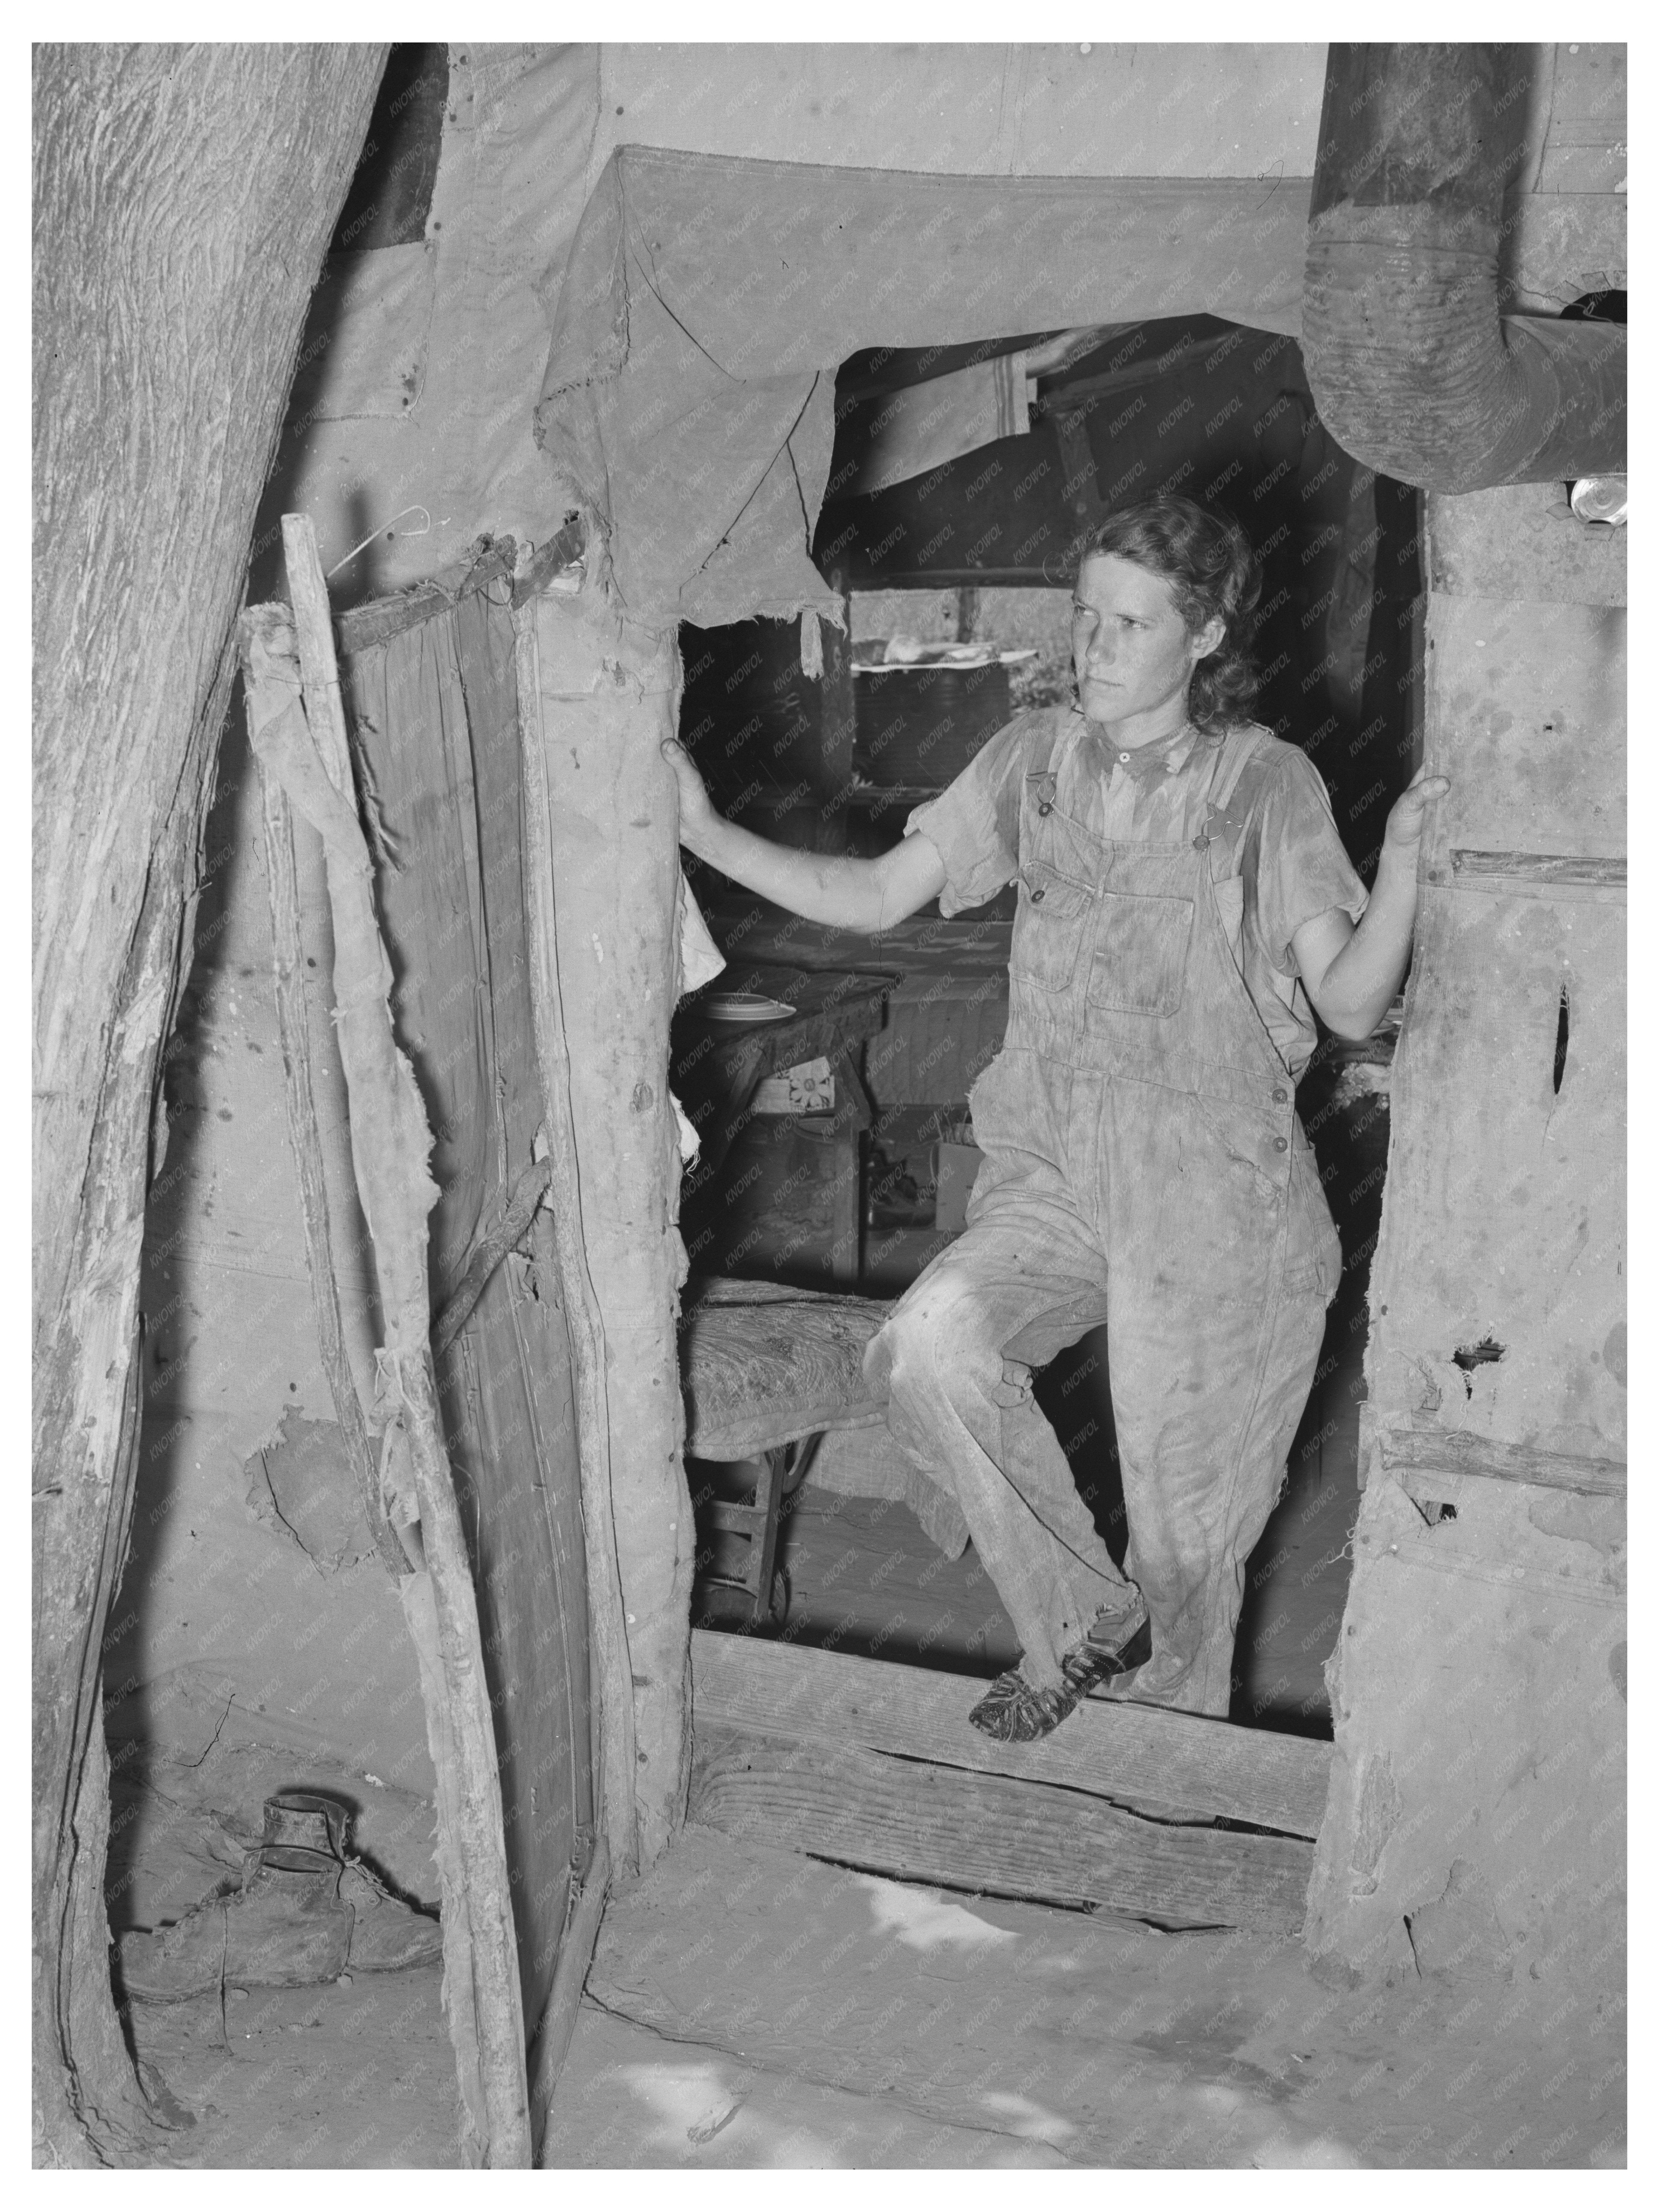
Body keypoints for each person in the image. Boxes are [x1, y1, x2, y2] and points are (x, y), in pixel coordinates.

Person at [663, 495, 1447, 1740]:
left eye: (1130, 623)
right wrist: (702, 831)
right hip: (1055, 1173)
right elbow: (874, 895)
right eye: (1084, 615)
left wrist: (1400, 866)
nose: (1094, 647)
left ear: (1204, 635)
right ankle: (1083, 1619)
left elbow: (1350, 1004)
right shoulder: (1031, 760)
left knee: (1186, 1548)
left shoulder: (1264, 784)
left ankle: (1163, 1767)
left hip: (1218, 1200)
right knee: (927, 1350)